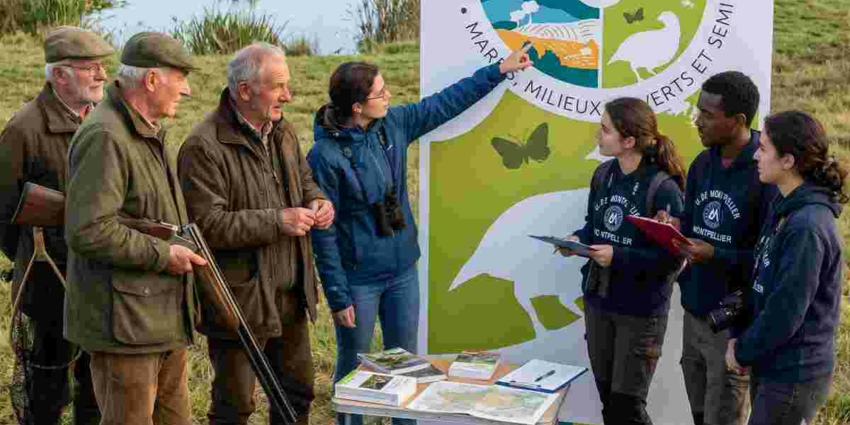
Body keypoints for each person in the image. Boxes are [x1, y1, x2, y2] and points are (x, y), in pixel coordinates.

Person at [307, 47, 532, 425]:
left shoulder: (393, 124)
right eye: (380, 93)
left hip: (402, 272)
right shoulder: (324, 156)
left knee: (407, 366)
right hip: (358, 280)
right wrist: (338, 296)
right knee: (353, 370)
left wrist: (498, 70)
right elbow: (323, 234)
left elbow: (445, 103)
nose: (389, 96)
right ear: (357, 107)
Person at [177, 43, 333, 425]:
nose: (288, 95)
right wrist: (277, 221)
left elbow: (304, 180)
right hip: (240, 299)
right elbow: (205, 226)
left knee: (297, 393)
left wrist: (317, 201)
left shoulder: (282, 129)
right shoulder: (203, 146)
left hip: (291, 295)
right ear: (244, 90)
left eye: (287, 85)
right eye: (278, 86)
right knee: (235, 406)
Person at [64, 31, 206, 425]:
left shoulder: (144, 131)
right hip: (125, 328)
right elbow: (89, 229)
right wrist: (165, 254)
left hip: (157, 320)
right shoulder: (107, 136)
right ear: (152, 80)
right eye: (181, 79)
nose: (189, 90)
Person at [0, 25, 112, 425]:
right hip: (48, 282)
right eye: (91, 68)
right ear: (60, 75)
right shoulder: (23, 129)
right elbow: (5, 212)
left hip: (98, 275)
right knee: (46, 390)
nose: (102, 76)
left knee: (96, 387)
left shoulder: (103, 118)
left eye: (103, 67)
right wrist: (35, 252)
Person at [657, 71, 776, 425]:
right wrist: (673, 229)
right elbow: (692, 227)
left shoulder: (764, 173)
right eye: (699, 111)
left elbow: (770, 259)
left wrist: (715, 255)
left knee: (723, 418)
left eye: (708, 115)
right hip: (695, 311)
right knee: (699, 414)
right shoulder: (702, 164)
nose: (698, 121)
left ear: (738, 120)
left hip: (734, 322)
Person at [561, 97, 686, 425]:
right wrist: (578, 241)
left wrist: (618, 256)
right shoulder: (603, 175)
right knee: (609, 404)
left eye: (605, 130)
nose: (597, 136)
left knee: (627, 409)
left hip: (640, 312)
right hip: (599, 303)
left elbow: (673, 261)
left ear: (629, 141)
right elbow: (595, 225)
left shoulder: (663, 189)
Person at [726, 111, 845, 425]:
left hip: (794, 373)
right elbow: (761, 282)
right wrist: (739, 337)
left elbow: (785, 311)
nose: (755, 155)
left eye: (763, 148)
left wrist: (742, 351)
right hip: (772, 363)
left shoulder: (807, 227)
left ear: (789, 160)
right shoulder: (783, 207)